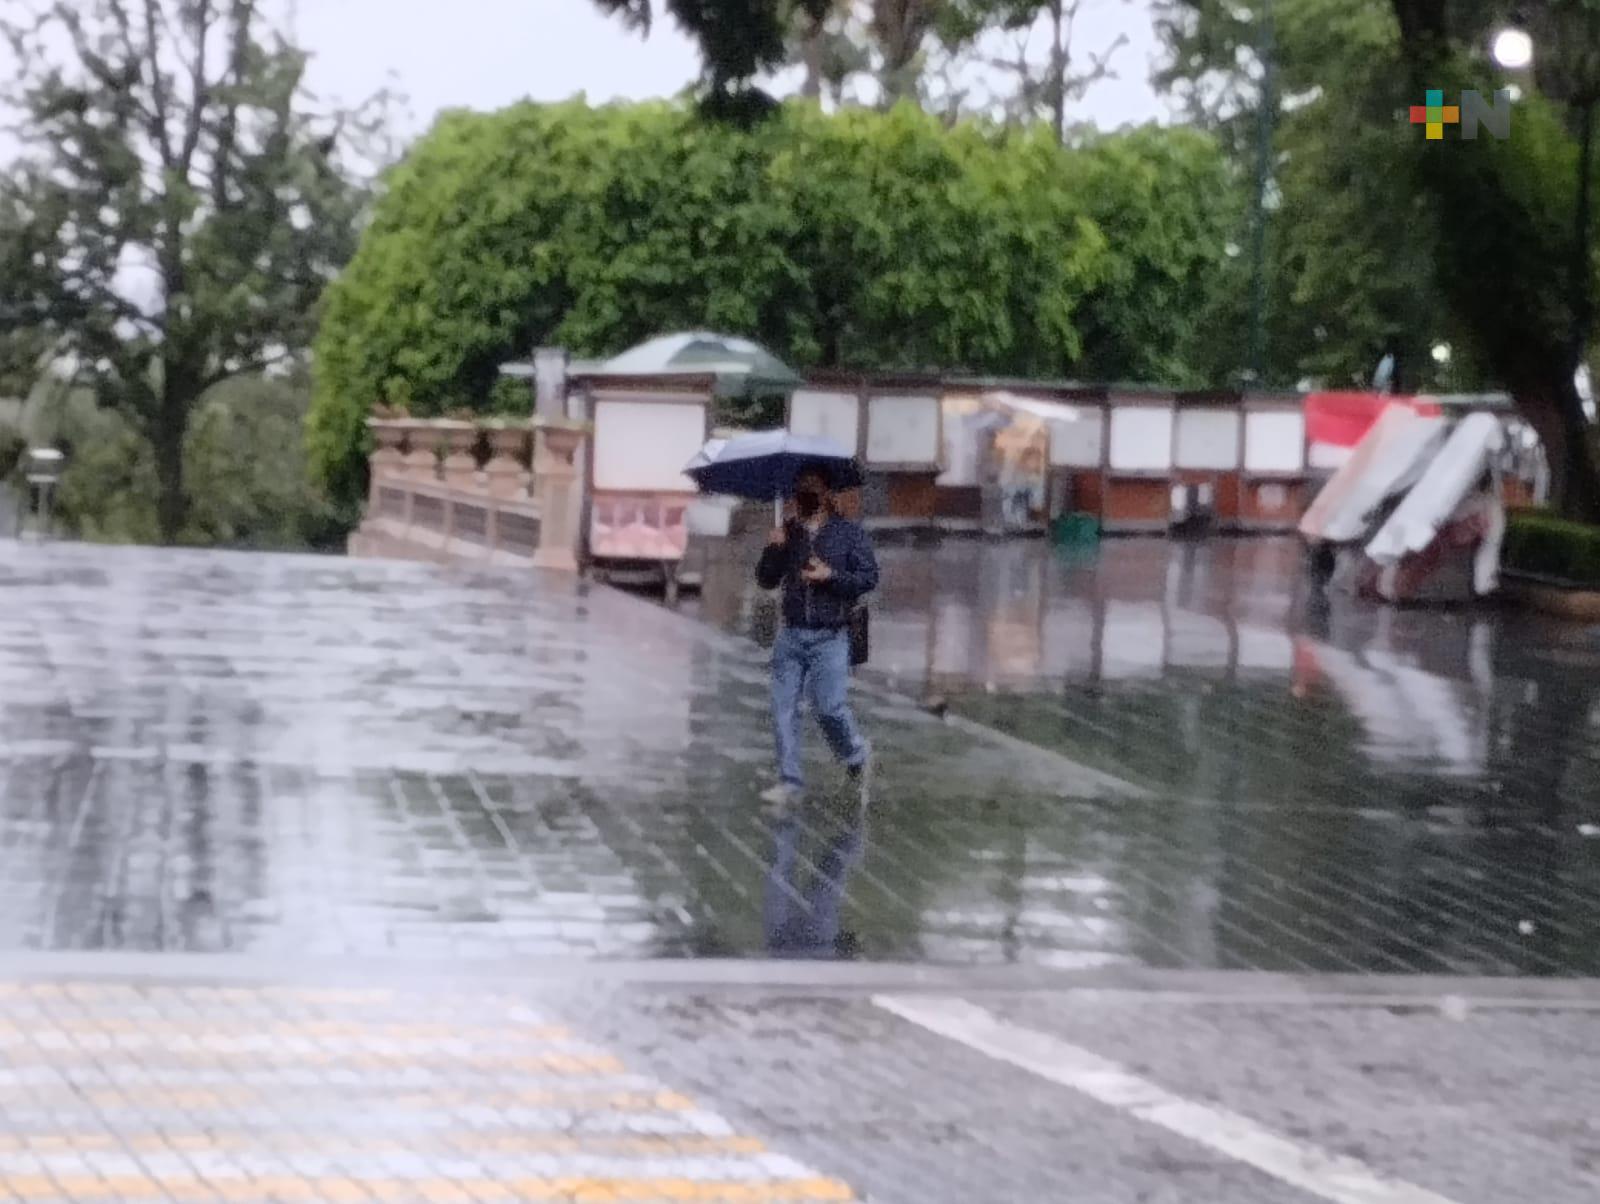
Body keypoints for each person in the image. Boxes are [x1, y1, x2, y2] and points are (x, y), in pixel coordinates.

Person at [755, 468, 878, 808]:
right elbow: (766, 580)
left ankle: (855, 754)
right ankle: (790, 780)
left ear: (826, 493)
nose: (803, 494)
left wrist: (831, 576)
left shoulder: (848, 534)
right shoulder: (789, 532)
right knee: (783, 708)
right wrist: (774, 549)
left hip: (831, 635)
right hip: (791, 634)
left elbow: (868, 578)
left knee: (829, 708)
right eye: (799, 489)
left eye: (811, 488)